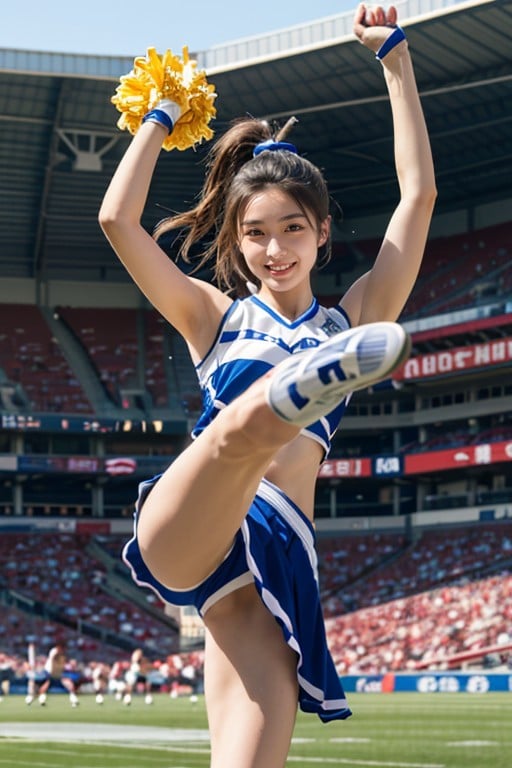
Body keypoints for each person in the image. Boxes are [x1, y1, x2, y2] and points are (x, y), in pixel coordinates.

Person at [99, 4, 436, 766]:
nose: (274, 249)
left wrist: (395, 61)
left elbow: (417, 200)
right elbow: (118, 221)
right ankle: (284, 399)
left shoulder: (354, 316)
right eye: (254, 233)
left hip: (274, 563)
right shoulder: (211, 317)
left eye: (291, 229)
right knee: (237, 436)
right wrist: (160, 112)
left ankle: (287, 400)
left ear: (321, 233)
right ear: (236, 240)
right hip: (194, 521)